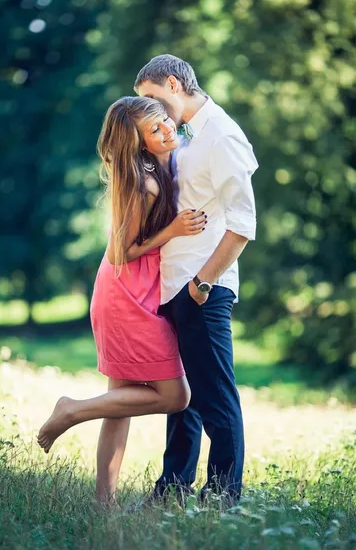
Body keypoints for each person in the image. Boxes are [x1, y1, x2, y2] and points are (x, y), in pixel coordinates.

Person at [37, 96, 207, 505]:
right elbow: (118, 252)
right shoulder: (145, 184)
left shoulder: (164, 160)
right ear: (139, 144)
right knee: (177, 396)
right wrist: (174, 231)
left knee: (120, 405)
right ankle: (72, 409)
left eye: (165, 119)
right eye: (155, 129)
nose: (167, 129)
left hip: (140, 290)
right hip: (126, 294)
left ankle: (103, 506)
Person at [134, 54, 258, 503]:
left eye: (151, 97)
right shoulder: (185, 136)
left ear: (173, 83)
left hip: (203, 285)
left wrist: (203, 283)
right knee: (182, 399)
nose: (147, 108)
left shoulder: (222, 136)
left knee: (214, 395)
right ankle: (173, 488)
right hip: (176, 283)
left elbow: (244, 223)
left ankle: (224, 495)